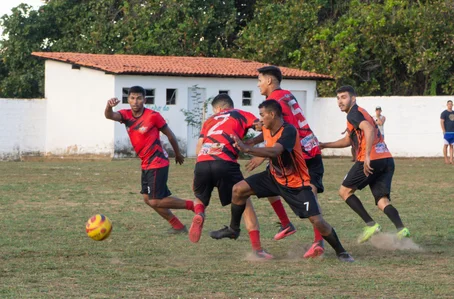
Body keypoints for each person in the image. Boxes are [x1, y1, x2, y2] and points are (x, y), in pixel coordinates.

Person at [229, 100, 354, 262]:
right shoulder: (267, 127)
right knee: (238, 189)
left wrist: (247, 148)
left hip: (297, 184)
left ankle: (341, 252)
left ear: (272, 115)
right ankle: (233, 229)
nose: (260, 119)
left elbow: (276, 151)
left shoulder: (289, 131)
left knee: (318, 221)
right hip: (273, 177)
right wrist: (249, 136)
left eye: (262, 115)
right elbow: (258, 128)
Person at [243, 65, 327, 258]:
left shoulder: (273, 100)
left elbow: (283, 129)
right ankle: (291, 226)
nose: (258, 85)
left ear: (269, 81)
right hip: (310, 146)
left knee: (303, 191)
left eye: (259, 80)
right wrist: (255, 139)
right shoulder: (287, 95)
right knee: (275, 181)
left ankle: (315, 240)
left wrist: (260, 153)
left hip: (298, 153)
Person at [320, 85, 410, 243]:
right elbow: (348, 140)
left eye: (344, 97)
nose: (340, 101)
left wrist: (367, 155)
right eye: (338, 98)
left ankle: (371, 225)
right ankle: (401, 229)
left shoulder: (353, 113)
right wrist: (325, 145)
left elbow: (368, 129)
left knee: (344, 191)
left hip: (371, 159)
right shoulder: (360, 113)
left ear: (353, 99)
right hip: (386, 159)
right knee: (382, 201)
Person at [105, 86, 194, 234]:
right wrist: (108, 106)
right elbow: (109, 115)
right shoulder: (125, 115)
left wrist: (178, 154)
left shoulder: (153, 116)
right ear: (128, 100)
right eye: (132, 98)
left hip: (158, 162)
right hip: (146, 164)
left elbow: (170, 135)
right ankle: (178, 226)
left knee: (155, 200)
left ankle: (195, 206)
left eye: (139, 98)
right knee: (148, 199)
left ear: (144, 100)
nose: (135, 101)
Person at [188, 94, 263, 255]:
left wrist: (197, 170)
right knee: (245, 201)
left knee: (200, 197)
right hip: (225, 162)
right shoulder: (240, 113)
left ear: (218, 109)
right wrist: (257, 135)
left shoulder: (209, 120)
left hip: (202, 162)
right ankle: (257, 250)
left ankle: (200, 212)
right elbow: (260, 125)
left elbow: (199, 146)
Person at [440, 100, 454, 164]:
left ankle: (451, 159)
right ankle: (446, 159)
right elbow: (441, 122)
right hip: (447, 132)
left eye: (451, 104)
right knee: (446, 145)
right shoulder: (444, 113)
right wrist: (444, 130)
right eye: (449, 104)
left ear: (452, 105)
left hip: (453, 132)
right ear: (447, 105)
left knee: (452, 146)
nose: (450, 105)